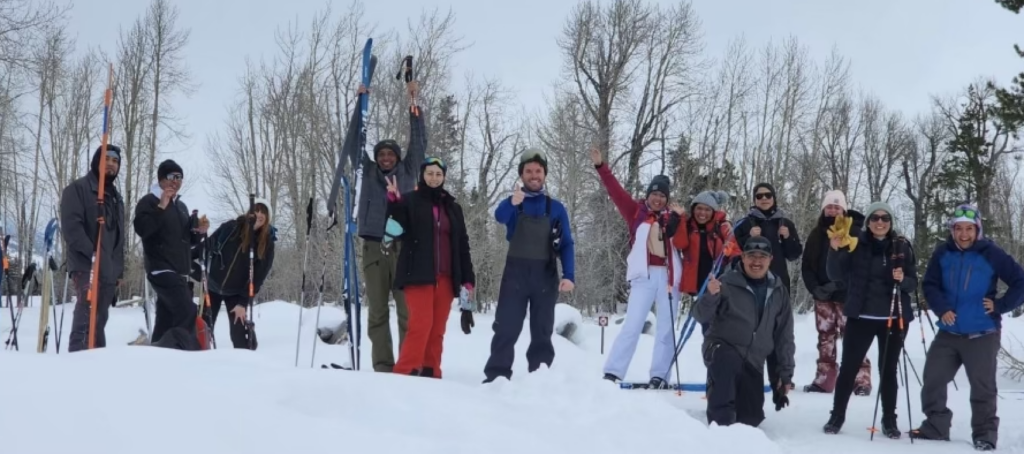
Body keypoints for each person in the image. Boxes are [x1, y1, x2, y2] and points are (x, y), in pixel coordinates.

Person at [911, 204, 1024, 451]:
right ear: (952, 230)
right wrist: (942, 308)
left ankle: (984, 434)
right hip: (949, 333)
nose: (963, 234)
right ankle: (936, 427)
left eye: (969, 229)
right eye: (958, 228)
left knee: (983, 387)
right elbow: (930, 285)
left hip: (982, 333)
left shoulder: (991, 252)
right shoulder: (943, 253)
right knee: (933, 379)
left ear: (977, 229)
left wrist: (1000, 305)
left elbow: (1020, 282)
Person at [590, 146, 683, 388]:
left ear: (667, 199)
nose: (658, 199)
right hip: (644, 276)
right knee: (632, 324)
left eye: (662, 196)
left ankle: (660, 375)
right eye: (655, 194)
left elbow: (690, 241)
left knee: (665, 329)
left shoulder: (675, 217)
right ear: (648, 194)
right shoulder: (636, 213)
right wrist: (601, 167)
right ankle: (613, 371)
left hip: (670, 278)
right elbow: (616, 192)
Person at [822, 201, 917, 438]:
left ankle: (889, 420)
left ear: (891, 222)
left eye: (885, 218)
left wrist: (902, 278)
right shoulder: (855, 243)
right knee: (849, 369)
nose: (880, 223)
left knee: (888, 371)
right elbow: (835, 275)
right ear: (868, 222)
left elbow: (913, 283)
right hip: (861, 317)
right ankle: (837, 416)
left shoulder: (902, 246)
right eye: (875, 218)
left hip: (893, 318)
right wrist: (834, 250)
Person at [349, 80, 424, 372]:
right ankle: (382, 365)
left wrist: (413, 103)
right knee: (377, 311)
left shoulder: (408, 171)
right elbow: (354, 144)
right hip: (373, 247)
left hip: (403, 247)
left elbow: (418, 143)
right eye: (381, 154)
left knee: (407, 311)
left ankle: (407, 364)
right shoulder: (367, 173)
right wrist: (360, 104)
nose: (385, 158)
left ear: (397, 157)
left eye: (390, 154)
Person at [483, 148, 575, 383]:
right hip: (515, 275)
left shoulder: (556, 208)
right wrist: (512, 203)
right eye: (528, 171)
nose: (534, 175)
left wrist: (569, 275)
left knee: (542, 330)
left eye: (538, 171)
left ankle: (540, 375)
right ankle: (497, 375)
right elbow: (499, 217)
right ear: (521, 175)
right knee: (506, 327)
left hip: (545, 275)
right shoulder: (515, 202)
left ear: (544, 174)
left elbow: (566, 244)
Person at [384, 157, 475, 378]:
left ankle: (430, 372)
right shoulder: (409, 201)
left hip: (446, 277)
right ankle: (404, 372)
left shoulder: (453, 208)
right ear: (422, 175)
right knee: (421, 325)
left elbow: (462, 246)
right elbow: (394, 232)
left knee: (437, 331)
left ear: (443, 177)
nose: (434, 178)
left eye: (438, 174)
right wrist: (394, 204)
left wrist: (468, 280)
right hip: (418, 274)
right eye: (429, 173)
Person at [692, 236, 795, 428]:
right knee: (727, 362)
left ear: (770, 259)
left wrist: (784, 375)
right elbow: (700, 315)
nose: (756, 262)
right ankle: (720, 427)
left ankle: (729, 394)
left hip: (753, 361)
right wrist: (710, 296)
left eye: (762, 257)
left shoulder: (779, 291)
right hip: (721, 349)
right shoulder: (726, 282)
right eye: (751, 256)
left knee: (750, 419)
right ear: (743, 258)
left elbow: (784, 336)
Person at [731, 182, 802, 396]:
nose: (763, 199)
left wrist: (787, 237)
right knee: (751, 329)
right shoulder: (745, 223)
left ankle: (779, 378)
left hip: (778, 284)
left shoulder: (785, 223)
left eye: (767, 195)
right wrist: (747, 237)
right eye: (759, 195)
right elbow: (734, 254)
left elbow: (794, 253)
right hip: (750, 286)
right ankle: (749, 375)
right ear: (754, 199)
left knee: (779, 331)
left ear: (774, 197)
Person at [801, 190, 871, 394]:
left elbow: (861, 265)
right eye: (829, 207)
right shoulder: (816, 234)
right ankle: (825, 379)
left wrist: (841, 284)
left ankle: (861, 380)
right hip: (822, 296)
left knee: (852, 338)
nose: (832, 210)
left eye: (837, 207)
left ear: (844, 210)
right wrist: (815, 288)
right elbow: (807, 266)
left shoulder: (855, 231)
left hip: (847, 296)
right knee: (825, 337)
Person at [133, 159, 208, 350]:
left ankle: (157, 351)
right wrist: (161, 207)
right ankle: (185, 351)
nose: (176, 181)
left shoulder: (180, 207)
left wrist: (199, 232)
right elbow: (143, 229)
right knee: (186, 310)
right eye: (172, 177)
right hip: (161, 268)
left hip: (180, 271)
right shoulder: (149, 201)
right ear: (161, 179)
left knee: (166, 319)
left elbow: (186, 241)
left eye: (180, 178)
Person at [59, 144, 125, 351]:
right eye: (107, 159)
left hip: (108, 268)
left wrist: (118, 269)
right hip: (86, 262)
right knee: (87, 307)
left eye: (115, 162)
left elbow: (118, 237)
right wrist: (93, 253)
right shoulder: (78, 189)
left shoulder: (116, 198)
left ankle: (97, 356)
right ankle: (78, 354)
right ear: (97, 161)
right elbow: (72, 228)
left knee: (101, 316)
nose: (111, 165)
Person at [203, 198, 277, 349]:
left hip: (237, 294)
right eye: (256, 210)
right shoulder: (231, 227)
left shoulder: (267, 242)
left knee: (239, 336)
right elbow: (207, 246)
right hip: (212, 287)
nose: (259, 214)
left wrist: (243, 303)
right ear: (249, 212)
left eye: (263, 212)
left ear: (267, 217)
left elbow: (258, 277)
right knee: (203, 329)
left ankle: (244, 366)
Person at [673, 190, 738, 334]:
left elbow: (734, 247)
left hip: (719, 282)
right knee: (707, 325)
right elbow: (679, 243)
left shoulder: (722, 226)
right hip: (699, 285)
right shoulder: (688, 226)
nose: (702, 213)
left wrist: (735, 264)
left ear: (713, 211)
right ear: (693, 209)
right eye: (699, 208)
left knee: (721, 323)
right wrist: (682, 219)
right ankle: (712, 353)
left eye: (707, 209)